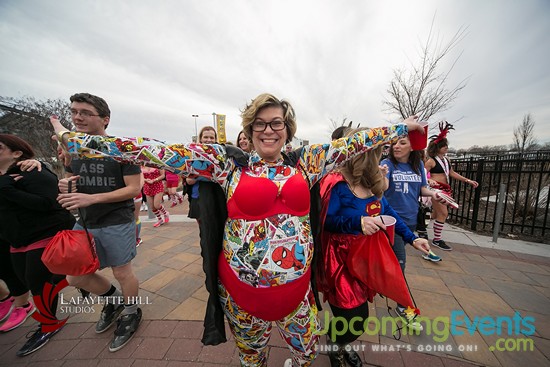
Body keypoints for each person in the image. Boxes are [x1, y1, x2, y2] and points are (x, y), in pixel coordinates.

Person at [52, 93, 423, 367]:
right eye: (259, 123)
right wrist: (78, 139)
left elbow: (355, 143)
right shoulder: (225, 164)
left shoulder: (306, 162)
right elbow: (153, 151)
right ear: (249, 129)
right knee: (252, 358)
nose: (268, 130)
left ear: (287, 130)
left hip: (297, 295)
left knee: (306, 354)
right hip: (243, 296)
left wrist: (402, 129)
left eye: (276, 122)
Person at [318, 128, 430, 366]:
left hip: (365, 257)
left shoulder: (371, 182)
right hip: (340, 259)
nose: (380, 155)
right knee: (352, 315)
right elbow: (324, 220)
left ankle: (339, 344)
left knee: (355, 317)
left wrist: (412, 238)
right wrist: (357, 223)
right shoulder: (336, 182)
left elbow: (388, 212)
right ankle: (335, 345)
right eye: (376, 151)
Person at [49, 93, 142, 352]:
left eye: (85, 112)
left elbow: (134, 189)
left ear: (105, 119)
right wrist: (65, 185)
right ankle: (114, 301)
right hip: (86, 223)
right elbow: (70, 182)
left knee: (122, 272)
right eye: (74, 112)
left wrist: (94, 198)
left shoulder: (122, 149)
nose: (77, 117)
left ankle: (132, 311)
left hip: (117, 221)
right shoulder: (74, 148)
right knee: (75, 277)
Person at [0, 134, 76, 356]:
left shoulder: (32, 171)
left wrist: (9, 191)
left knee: (37, 283)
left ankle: (48, 325)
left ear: (16, 153)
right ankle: (69, 279)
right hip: (15, 239)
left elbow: (49, 203)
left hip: (44, 234)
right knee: (24, 278)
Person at [424, 122, 479, 251]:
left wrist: (467, 180)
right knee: (443, 213)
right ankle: (437, 240)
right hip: (435, 190)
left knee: (436, 214)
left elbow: (451, 173)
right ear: (437, 147)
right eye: (443, 146)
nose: (446, 148)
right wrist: (430, 180)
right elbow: (423, 174)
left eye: (446, 146)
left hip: (445, 189)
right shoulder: (431, 161)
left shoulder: (447, 160)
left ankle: (420, 228)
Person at [186, 126, 217, 224]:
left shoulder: (220, 156)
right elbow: (189, 181)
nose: (209, 140)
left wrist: (200, 174)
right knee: (203, 231)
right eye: (206, 137)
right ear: (201, 139)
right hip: (199, 197)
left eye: (212, 138)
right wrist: (208, 174)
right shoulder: (193, 156)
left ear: (216, 139)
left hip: (217, 197)